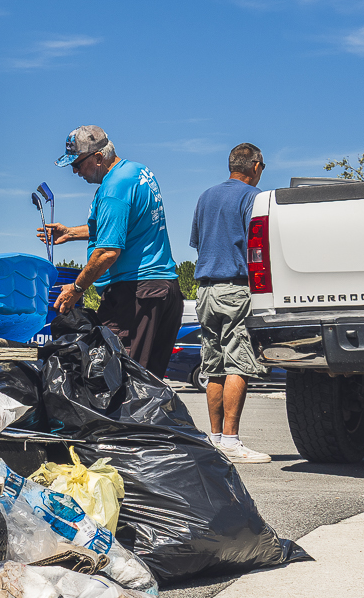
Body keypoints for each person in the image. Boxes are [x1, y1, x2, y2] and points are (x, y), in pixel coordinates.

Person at [37, 125, 184, 378]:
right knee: (149, 381)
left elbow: (107, 251)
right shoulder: (138, 172)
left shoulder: (113, 189)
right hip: (162, 289)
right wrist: (70, 233)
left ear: (98, 157)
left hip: (136, 294)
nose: (75, 171)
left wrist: (77, 288)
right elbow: (122, 226)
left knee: (120, 378)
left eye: (77, 164)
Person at [188, 143, 270, 465]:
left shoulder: (206, 196)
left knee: (214, 366)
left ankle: (215, 438)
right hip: (236, 288)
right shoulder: (252, 197)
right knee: (238, 363)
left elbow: (199, 243)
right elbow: (257, 246)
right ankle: (232, 441)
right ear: (256, 166)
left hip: (205, 291)